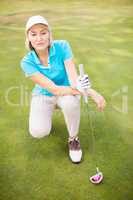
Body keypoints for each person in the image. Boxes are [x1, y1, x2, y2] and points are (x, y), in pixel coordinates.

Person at [20, 15, 106, 163]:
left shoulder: (62, 46)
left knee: (70, 103)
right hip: (44, 94)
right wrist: (91, 92)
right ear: (28, 37)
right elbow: (54, 89)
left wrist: (80, 84)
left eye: (43, 32)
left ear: (49, 34)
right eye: (33, 34)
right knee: (38, 132)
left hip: (67, 93)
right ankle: (51, 109)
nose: (39, 38)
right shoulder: (26, 62)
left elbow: (73, 79)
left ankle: (73, 139)